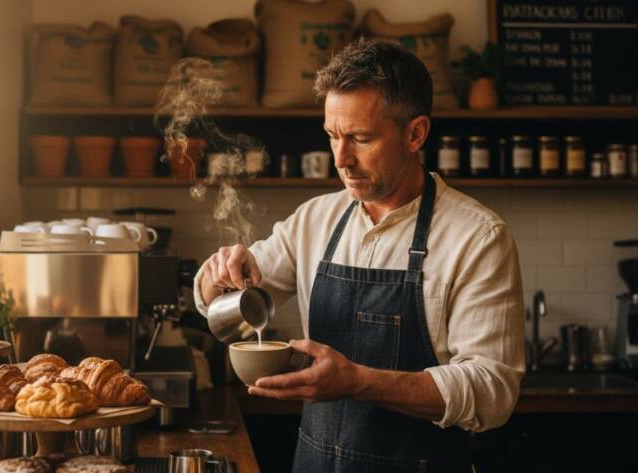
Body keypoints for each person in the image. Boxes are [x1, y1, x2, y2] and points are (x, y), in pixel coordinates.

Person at [194, 38, 525, 472]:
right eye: (332, 136)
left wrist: (359, 382)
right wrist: (217, 274)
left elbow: (492, 391)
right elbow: (217, 302)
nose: (342, 159)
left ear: (415, 133)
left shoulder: (477, 237)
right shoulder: (316, 219)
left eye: (361, 138)